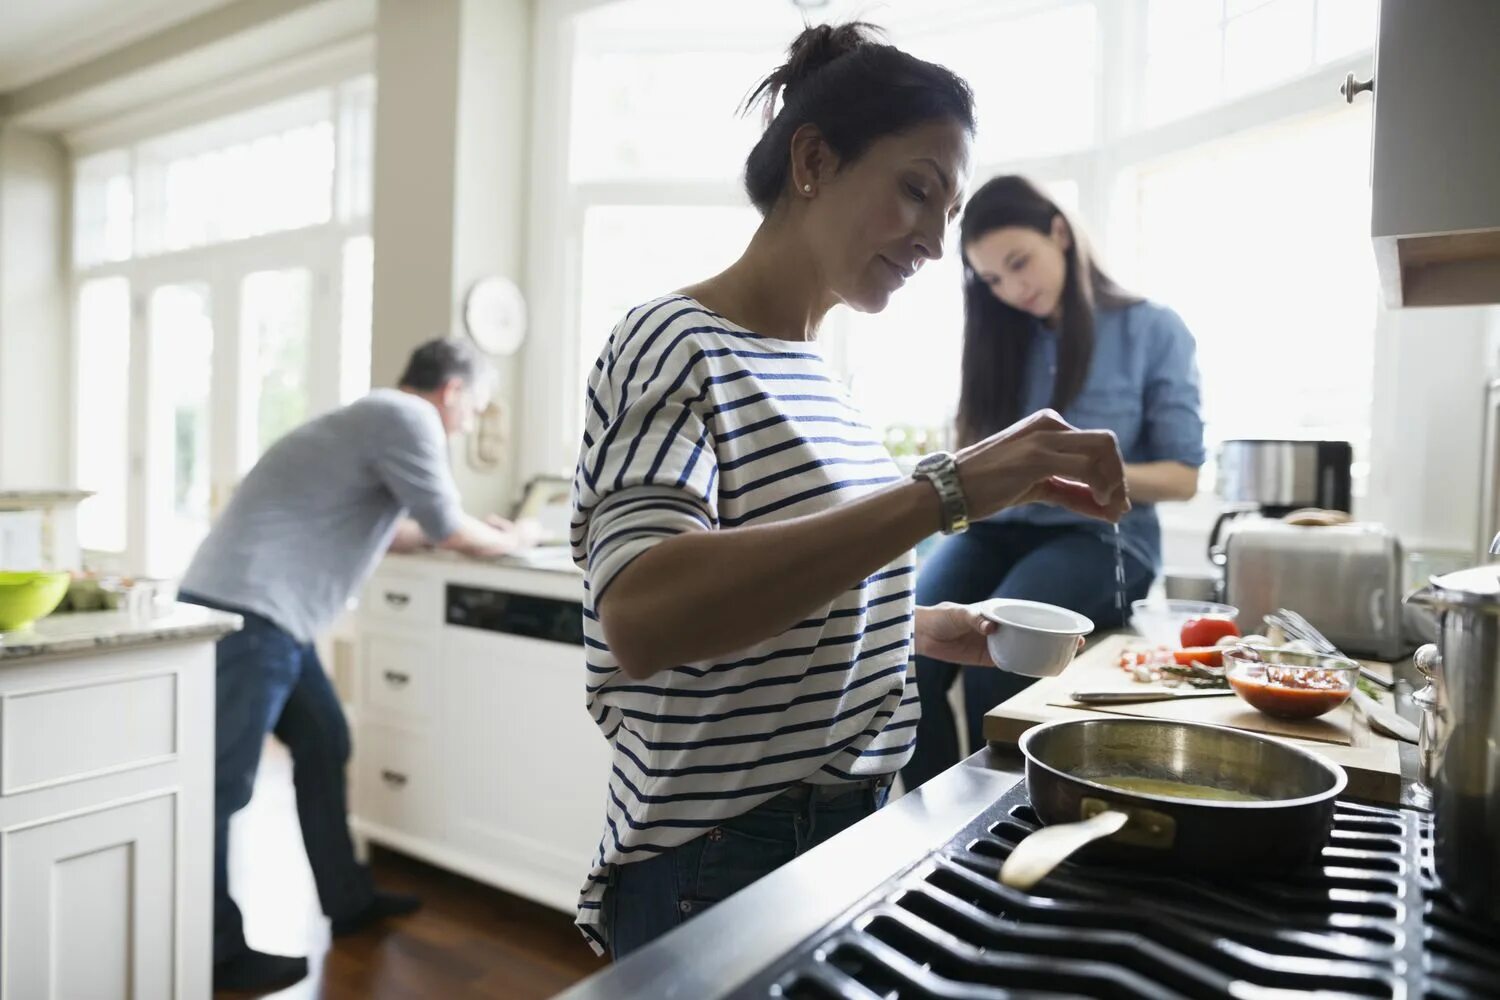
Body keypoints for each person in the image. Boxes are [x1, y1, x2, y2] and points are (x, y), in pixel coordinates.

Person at [569, 24, 1130, 960]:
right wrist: (947, 490)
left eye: (946, 211)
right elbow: (644, 613)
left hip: (844, 825)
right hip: (723, 854)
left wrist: (923, 625)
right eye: (917, 189)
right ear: (815, 159)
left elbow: (781, 598)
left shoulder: (820, 379)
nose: (932, 239)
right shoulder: (675, 341)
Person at [180, 337, 536, 992]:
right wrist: (515, 538)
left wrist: (465, 532)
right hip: (247, 615)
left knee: (324, 741)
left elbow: (405, 528)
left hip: (271, 616)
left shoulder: (369, 420)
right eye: (472, 407)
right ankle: (214, 950)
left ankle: (347, 901)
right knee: (221, 787)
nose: (464, 424)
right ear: (452, 391)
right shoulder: (406, 418)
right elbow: (451, 527)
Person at [901, 175, 1206, 791]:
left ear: (1060, 234)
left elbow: (1183, 478)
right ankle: (934, 826)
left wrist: (1060, 470)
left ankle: (999, 823)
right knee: (908, 655)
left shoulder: (1153, 329)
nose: (1013, 289)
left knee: (1004, 660)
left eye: (1019, 264)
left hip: (1096, 537)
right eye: (992, 281)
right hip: (997, 531)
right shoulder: (997, 339)